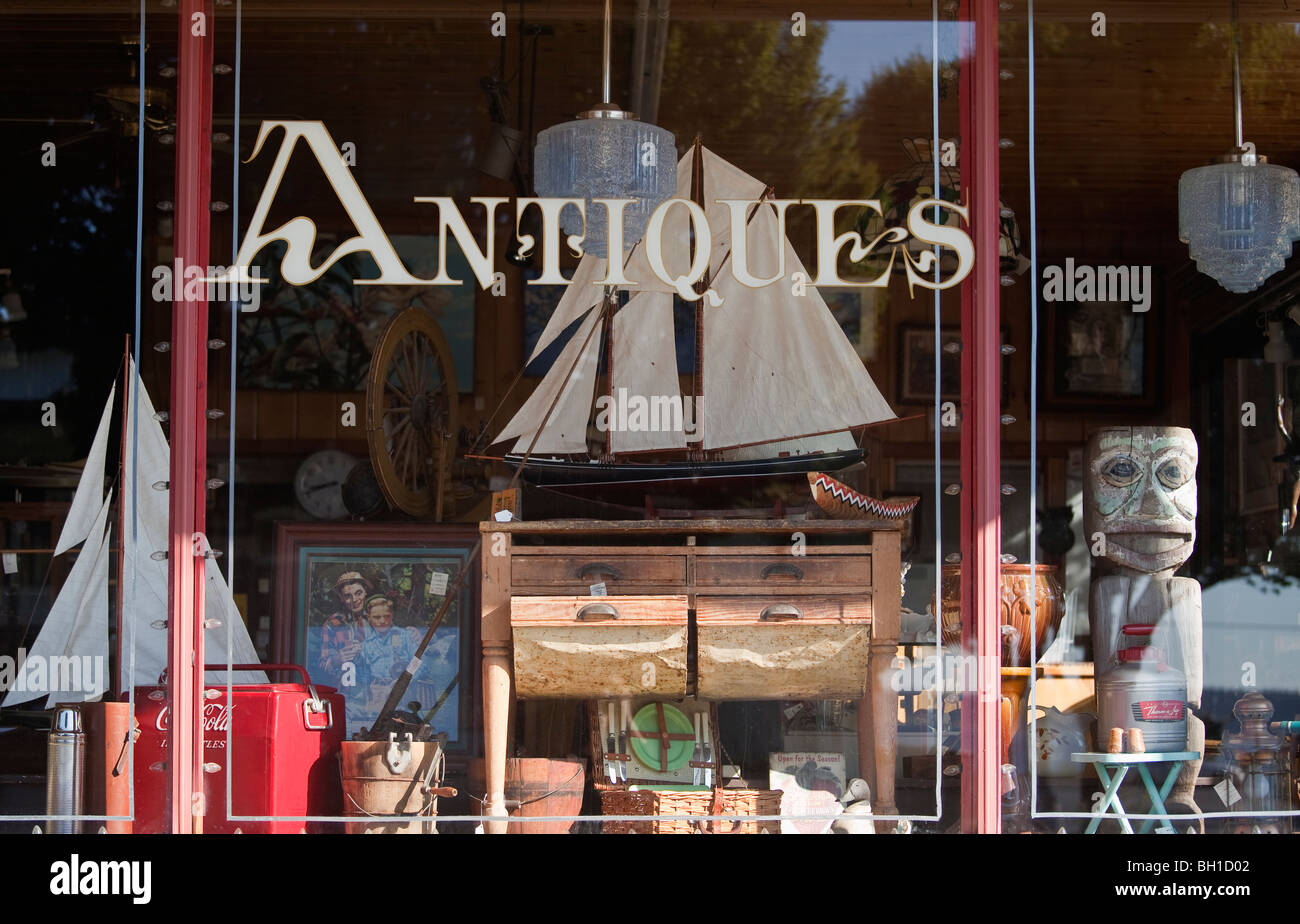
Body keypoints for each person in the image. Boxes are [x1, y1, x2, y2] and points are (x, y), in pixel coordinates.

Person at [357, 594, 421, 726]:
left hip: (403, 693)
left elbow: (420, 664)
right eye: (376, 617)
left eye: (387, 616)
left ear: (392, 616)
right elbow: (364, 674)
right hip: (377, 693)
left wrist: (404, 681)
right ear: (369, 618)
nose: (382, 621)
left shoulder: (405, 636)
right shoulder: (366, 645)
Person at [318, 571, 371, 691]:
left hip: (376, 690)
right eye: (348, 596)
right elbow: (322, 666)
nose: (354, 599)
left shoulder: (376, 619)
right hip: (347, 690)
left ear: (365, 592)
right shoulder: (333, 624)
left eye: (358, 593)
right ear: (341, 598)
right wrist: (337, 659)